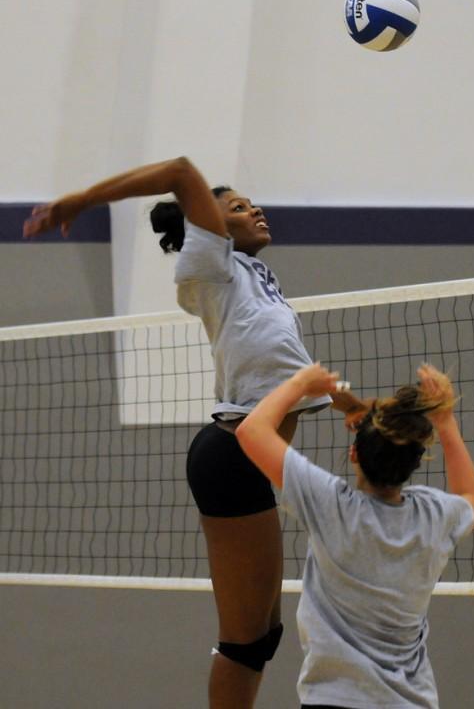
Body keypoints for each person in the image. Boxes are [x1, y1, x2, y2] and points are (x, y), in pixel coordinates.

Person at [23, 156, 332, 709]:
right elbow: (180, 170)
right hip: (233, 452)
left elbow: (290, 368)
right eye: (237, 206)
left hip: (250, 458)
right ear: (208, 226)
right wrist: (81, 200)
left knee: (264, 635)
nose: (254, 209)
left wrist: (351, 405)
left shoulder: (254, 275)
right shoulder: (209, 262)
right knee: (245, 641)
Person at [236, 362, 474, 709]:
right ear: (415, 463)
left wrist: (301, 382)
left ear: (354, 453)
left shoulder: (331, 505)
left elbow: (250, 431)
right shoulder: (435, 515)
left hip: (334, 699)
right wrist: (445, 421)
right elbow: (471, 497)